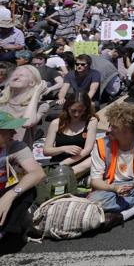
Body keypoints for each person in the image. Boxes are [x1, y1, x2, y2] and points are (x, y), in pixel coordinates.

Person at [0, 111, 46, 248]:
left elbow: (38, 173)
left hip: (3, 192)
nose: (14, 133)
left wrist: (9, 196)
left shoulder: (15, 146)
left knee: (29, 189)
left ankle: (6, 233)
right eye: (9, 130)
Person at [43, 91, 98, 178]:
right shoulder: (56, 123)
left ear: (86, 109)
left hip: (80, 161)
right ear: (67, 107)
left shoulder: (91, 121)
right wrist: (63, 149)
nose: (77, 114)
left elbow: (87, 150)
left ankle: (69, 174)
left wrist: (64, 163)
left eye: (81, 111)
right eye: (73, 111)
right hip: (58, 162)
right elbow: (46, 151)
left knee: (96, 157)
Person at [0, 64, 47, 141]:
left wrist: (37, 93)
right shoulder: (2, 102)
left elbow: (27, 123)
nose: (15, 77)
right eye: (14, 75)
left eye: (21, 75)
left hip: (19, 151)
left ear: (32, 82)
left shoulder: (41, 106)